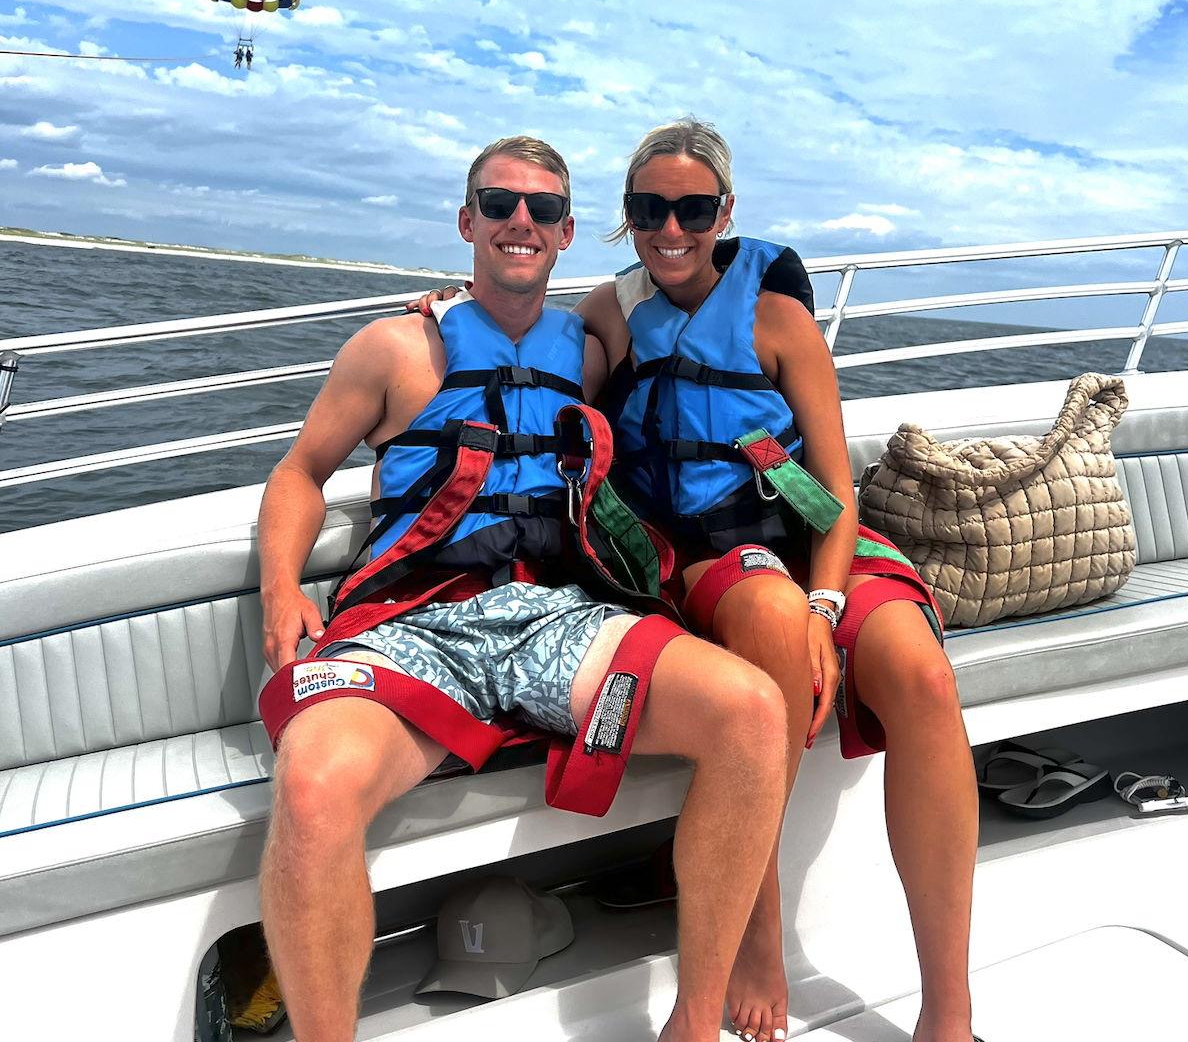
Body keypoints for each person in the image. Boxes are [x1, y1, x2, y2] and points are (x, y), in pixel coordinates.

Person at [413, 118, 980, 1042]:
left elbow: (836, 493)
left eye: (692, 210)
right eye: (648, 210)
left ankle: (948, 1013)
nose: (669, 230)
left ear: (726, 212)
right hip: (714, 551)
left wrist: (827, 603)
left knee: (923, 677)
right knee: (770, 615)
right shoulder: (611, 311)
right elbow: (529, 348)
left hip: (818, 541)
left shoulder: (777, 318)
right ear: (625, 216)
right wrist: (449, 314)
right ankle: (759, 938)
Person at [256, 135, 792, 1042]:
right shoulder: (395, 348)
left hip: (551, 618)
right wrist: (282, 589)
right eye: (499, 204)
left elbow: (690, 322)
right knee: (311, 784)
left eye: (542, 210)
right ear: (467, 221)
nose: (520, 222)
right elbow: (299, 474)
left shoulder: (588, 352)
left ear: (567, 232)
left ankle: (694, 1024)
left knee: (752, 714)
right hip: (417, 621)